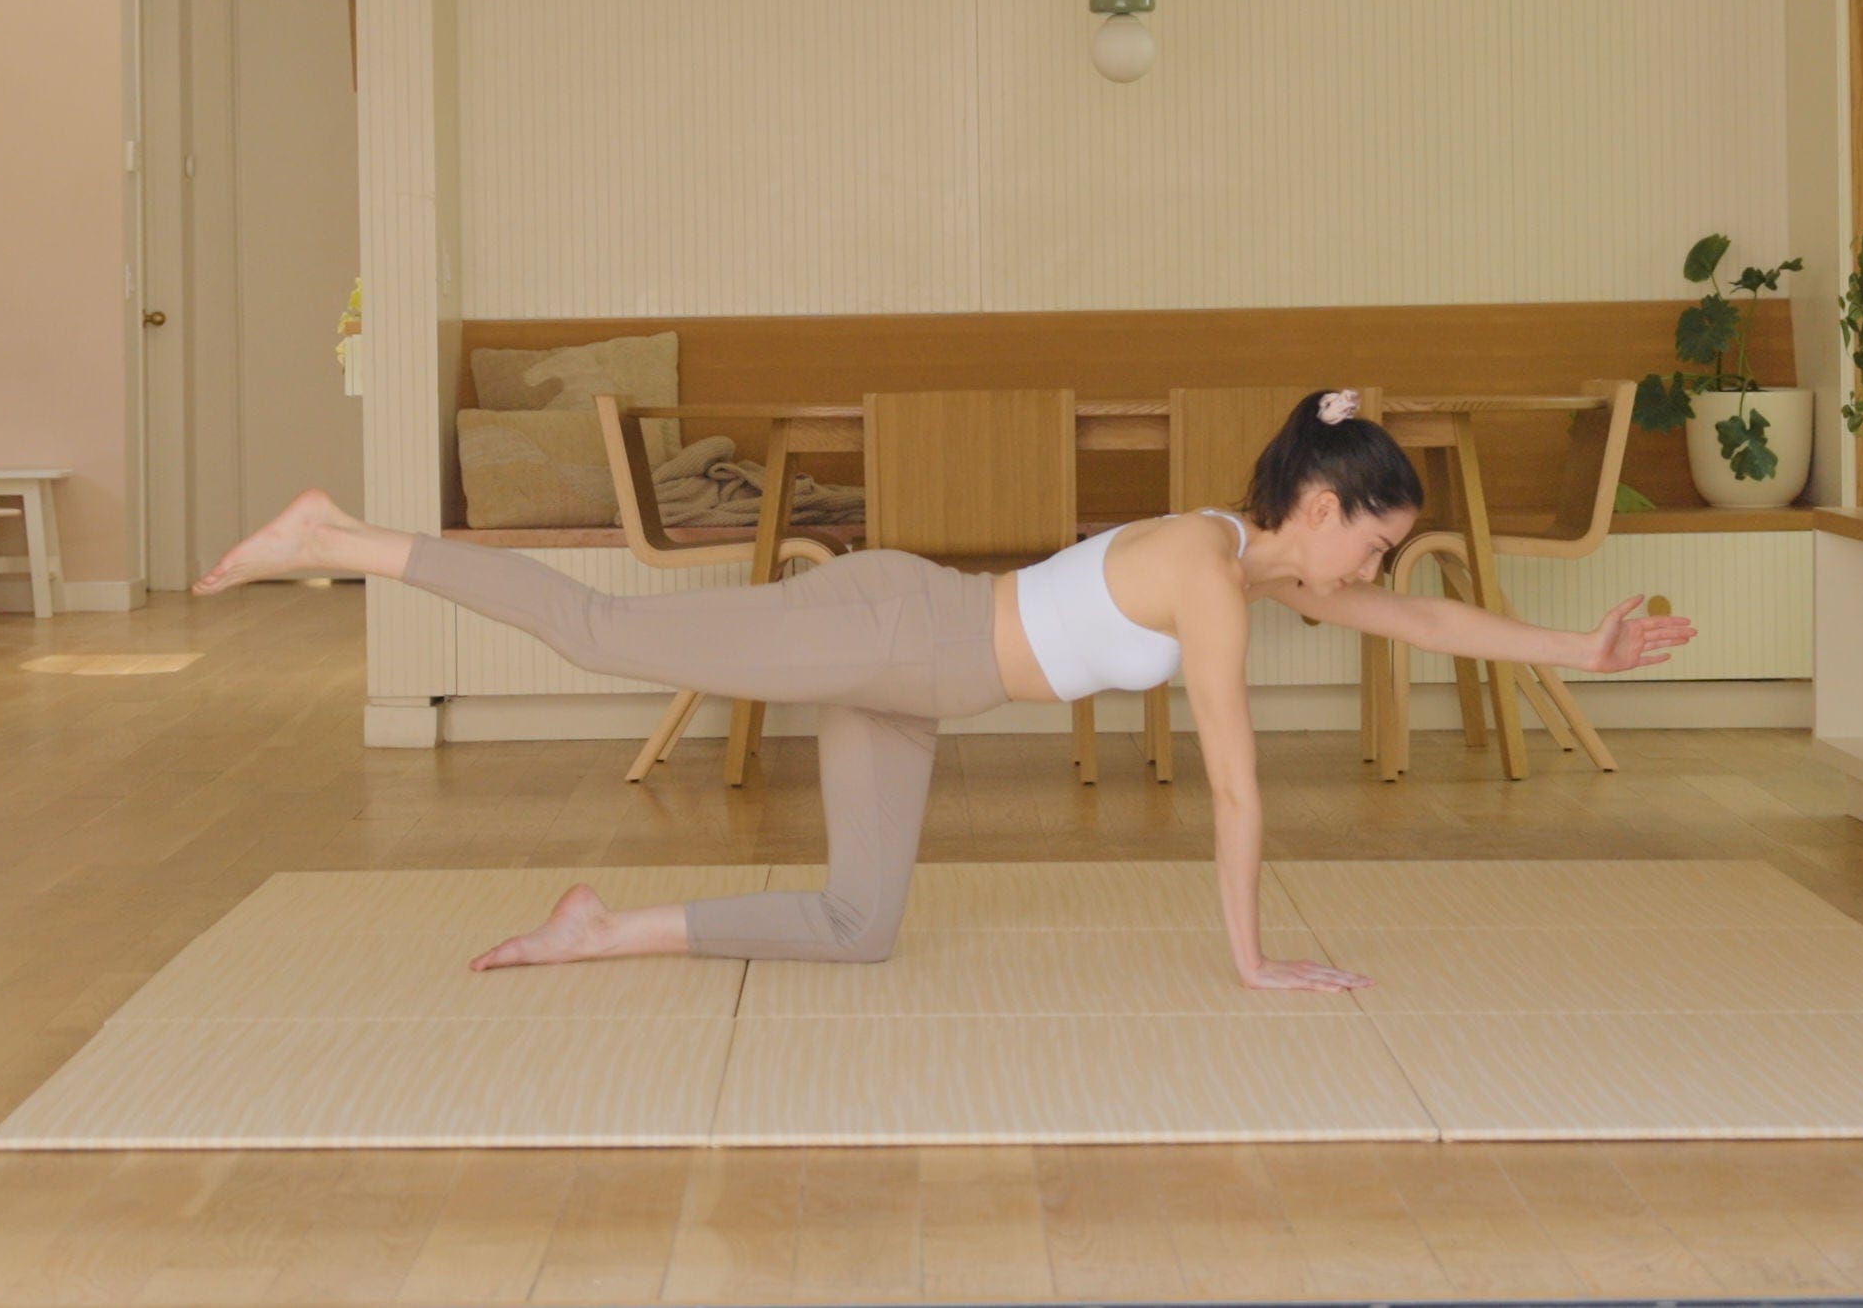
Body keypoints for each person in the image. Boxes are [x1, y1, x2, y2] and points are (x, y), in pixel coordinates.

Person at [193, 388, 1695, 992]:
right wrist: (1251, 962)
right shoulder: (1199, 568)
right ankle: (338, 534)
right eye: (1372, 533)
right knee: (598, 632)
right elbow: (1235, 781)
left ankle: (604, 928)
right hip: (892, 627)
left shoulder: (1254, 562)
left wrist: (1585, 655)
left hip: (913, 683)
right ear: (1316, 504)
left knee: (860, 927)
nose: (1372, 566)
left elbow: (1423, 627)